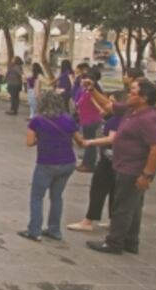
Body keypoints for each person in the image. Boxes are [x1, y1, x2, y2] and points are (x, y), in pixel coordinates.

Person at [83, 78, 156, 254]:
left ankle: (114, 242)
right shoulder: (131, 110)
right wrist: (92, 90)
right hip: (124, 165)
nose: (129, 94)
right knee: (133, 206)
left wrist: (146, 174)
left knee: (122, 207)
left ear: (143, 98)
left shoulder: (148, 118)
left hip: (133, 170)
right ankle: (130, 240)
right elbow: (109, 106)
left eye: (133, 92)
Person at [17, 91, 85, 242]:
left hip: (47, 162)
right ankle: (54, 230)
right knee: (57, 197)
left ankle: (34, 230)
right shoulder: (68, 119)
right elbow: (80, 141)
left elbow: (29, 142)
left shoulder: (37, 121)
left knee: (37, 197)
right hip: (67, 162)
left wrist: (41, 139)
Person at [68, 91, 125, 233]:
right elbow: (102, 108)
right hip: (115, 158)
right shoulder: (118, 116)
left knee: (98, 189)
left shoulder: (117, 119)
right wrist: (93, 97)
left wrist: (90, 142)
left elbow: (112, 138)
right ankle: (113, 220)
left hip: (109, 159)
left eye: (111, 101)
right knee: (113, 190)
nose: (108, 104)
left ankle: (89, 220)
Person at [75, 66, 104, 173]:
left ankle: (89, 164)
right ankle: (85, 162)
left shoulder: (91, 92)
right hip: (85, 119)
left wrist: (101, 111)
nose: (81, 81)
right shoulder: (85, 91)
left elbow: (97, 104)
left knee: (89, 143)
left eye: (84, 79)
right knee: (87, 141)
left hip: (91, 120)